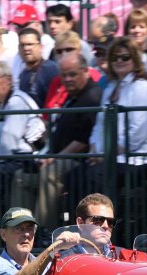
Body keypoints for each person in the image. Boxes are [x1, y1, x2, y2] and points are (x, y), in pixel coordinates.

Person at [72, 37, 147, 200]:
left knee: (96, 176)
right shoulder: (109, 89)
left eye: (125, 57)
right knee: (74, 176)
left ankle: (105, 224)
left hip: (144, 157)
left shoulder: (142, 88)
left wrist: (105, 155)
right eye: (115, 57)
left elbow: (136, 136)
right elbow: (99, 126)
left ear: (135, 60)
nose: (119, 61)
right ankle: (77, 224)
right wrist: (95, 151)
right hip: (114, 156)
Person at [38, 52, 103, 230]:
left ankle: (46, 231)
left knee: (49, 174)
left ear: (86, 72)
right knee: (22, 177)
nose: (67, 79)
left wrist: (55, 158)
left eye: (72, 74)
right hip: (59, 155)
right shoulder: (72, 96)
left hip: (79, 159)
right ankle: (21, 228)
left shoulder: (92, 96)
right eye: (64, 75)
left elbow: (82, 141)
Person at [0, 60, 46, 219]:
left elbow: (9, 142)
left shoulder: (16, 102)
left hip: (25, 159)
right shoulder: (5, 103)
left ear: (8, 80)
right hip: (12, 158)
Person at [17, 28, 59, 107]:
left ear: (40, 47)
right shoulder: (22, 75)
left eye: (30, 44)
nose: (26, 48)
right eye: (22, 45)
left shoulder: (51, 70)